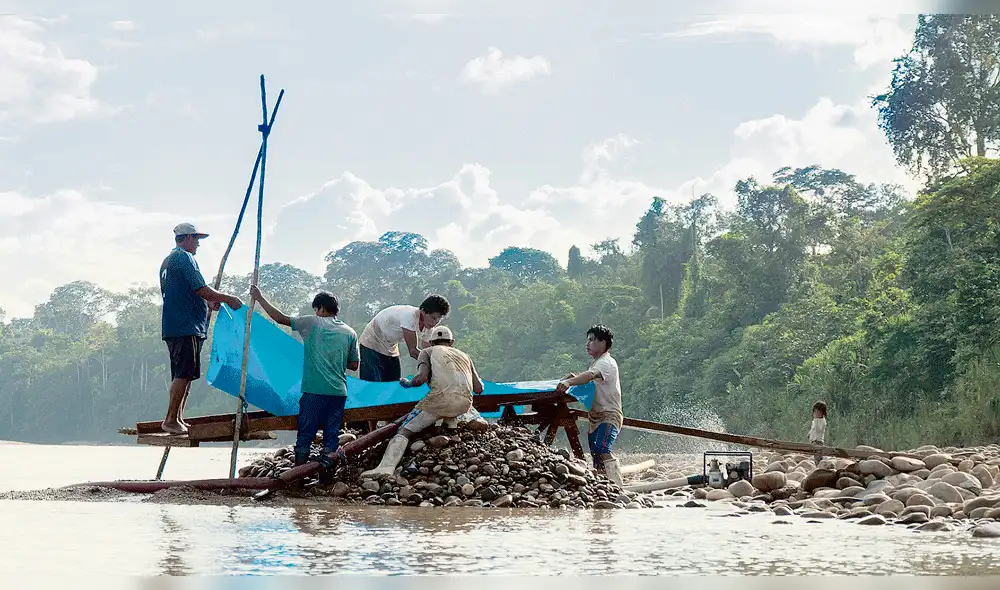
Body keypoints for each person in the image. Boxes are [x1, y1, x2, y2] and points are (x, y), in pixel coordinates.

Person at [250, 285, 360, 468]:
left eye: (316, 309)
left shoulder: (312, 322)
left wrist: (259, 297)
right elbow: (354, 365)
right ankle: (325, 476)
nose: (316, 312)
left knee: (306, 434)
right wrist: (336, 358)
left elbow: (280, 318)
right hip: (338, 392)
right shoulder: (350, 332)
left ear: (321, 308)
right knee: (331, 436)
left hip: (315, 390)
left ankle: (298, 475)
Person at [361, 326, 485, 480]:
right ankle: (450, 428)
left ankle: (386, 468)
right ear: (451, 342)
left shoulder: (427, 352)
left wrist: (408, 383)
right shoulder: (465, 356)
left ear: (431, 342)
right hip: (465, 404)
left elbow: (421, 378)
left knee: (404, 430)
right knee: (447, 409)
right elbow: (479, 388)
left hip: (439, 401)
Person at [160, 222, 243, 434]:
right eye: (196, 239)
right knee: (183, 374)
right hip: (185, 326)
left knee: (184, 374)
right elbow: (201, 288)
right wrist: (228, 298)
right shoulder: (184, 258)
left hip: (177, 326)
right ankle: (170, 419)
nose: (198, 244)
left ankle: (177, 418)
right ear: (188, 238)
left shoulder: (168, 261)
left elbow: (185, 292)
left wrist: (207, 302)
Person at [349, 295, 451, 433]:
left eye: (438, 320)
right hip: (371, 343)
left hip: (390, 347)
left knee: (393, 387)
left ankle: (389, 427)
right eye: (433, 318)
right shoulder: (409, 316)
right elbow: (413, 351)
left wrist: (439, 365)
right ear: (423, 311)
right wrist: (433, 368)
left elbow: (427, 352)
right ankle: (371, 429)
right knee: (374, 387)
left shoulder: (428, 328)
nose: (434, 323)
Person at [554, 325, 624, 486]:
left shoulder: (607, 362)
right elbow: (590, 378)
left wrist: (570, 382)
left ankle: (617, 484)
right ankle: (603, 484)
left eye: (592, 340)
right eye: (588, 340)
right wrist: (574, 377)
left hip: (609, 415)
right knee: (595, 454)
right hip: (596, 417)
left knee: (602, 448)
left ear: (603, 343)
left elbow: (590, 376)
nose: (588, 344)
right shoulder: (596, 363)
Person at [809, 401, 828, 465]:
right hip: (814, 441)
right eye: (815, 412)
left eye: (819, 412)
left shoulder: (822, 421)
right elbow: (813, 429)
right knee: (815, 454)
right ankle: (818, 464)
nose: (816, 414)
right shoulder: (816, 420)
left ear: (823, 413)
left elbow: (819, 429)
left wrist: (816, 420)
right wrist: (809, 433)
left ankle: (819, 465)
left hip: (818, 441)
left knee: (818, 455)